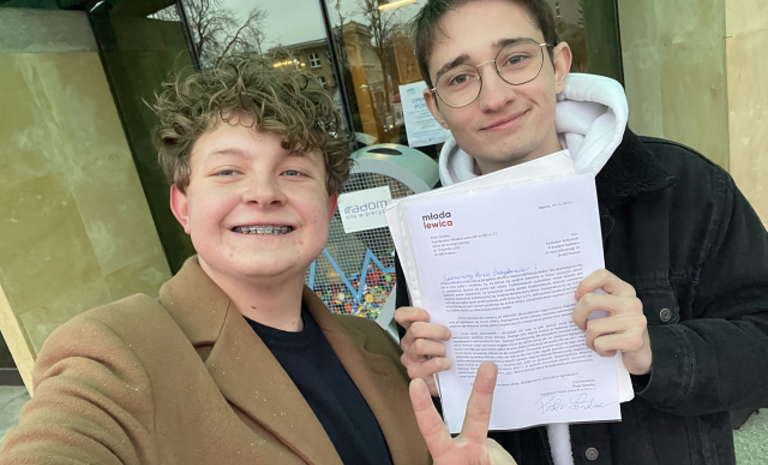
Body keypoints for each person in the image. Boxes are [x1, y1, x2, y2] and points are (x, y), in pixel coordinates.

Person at [0, 56, 433, 465]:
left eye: (294, 171)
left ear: (329, 205)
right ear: (183, 207)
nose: (264, 193)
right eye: (228, 171)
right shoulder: (116, 353)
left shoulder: (377, 343)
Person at [394, 1, 768, 464]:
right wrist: (430, 385)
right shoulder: (424, 239)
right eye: (460, 78)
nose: (494, 97)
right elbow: (437, 423)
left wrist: (655, 351)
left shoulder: (682, 187)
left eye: (515, 59)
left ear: (559, 66)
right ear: (435, 107)